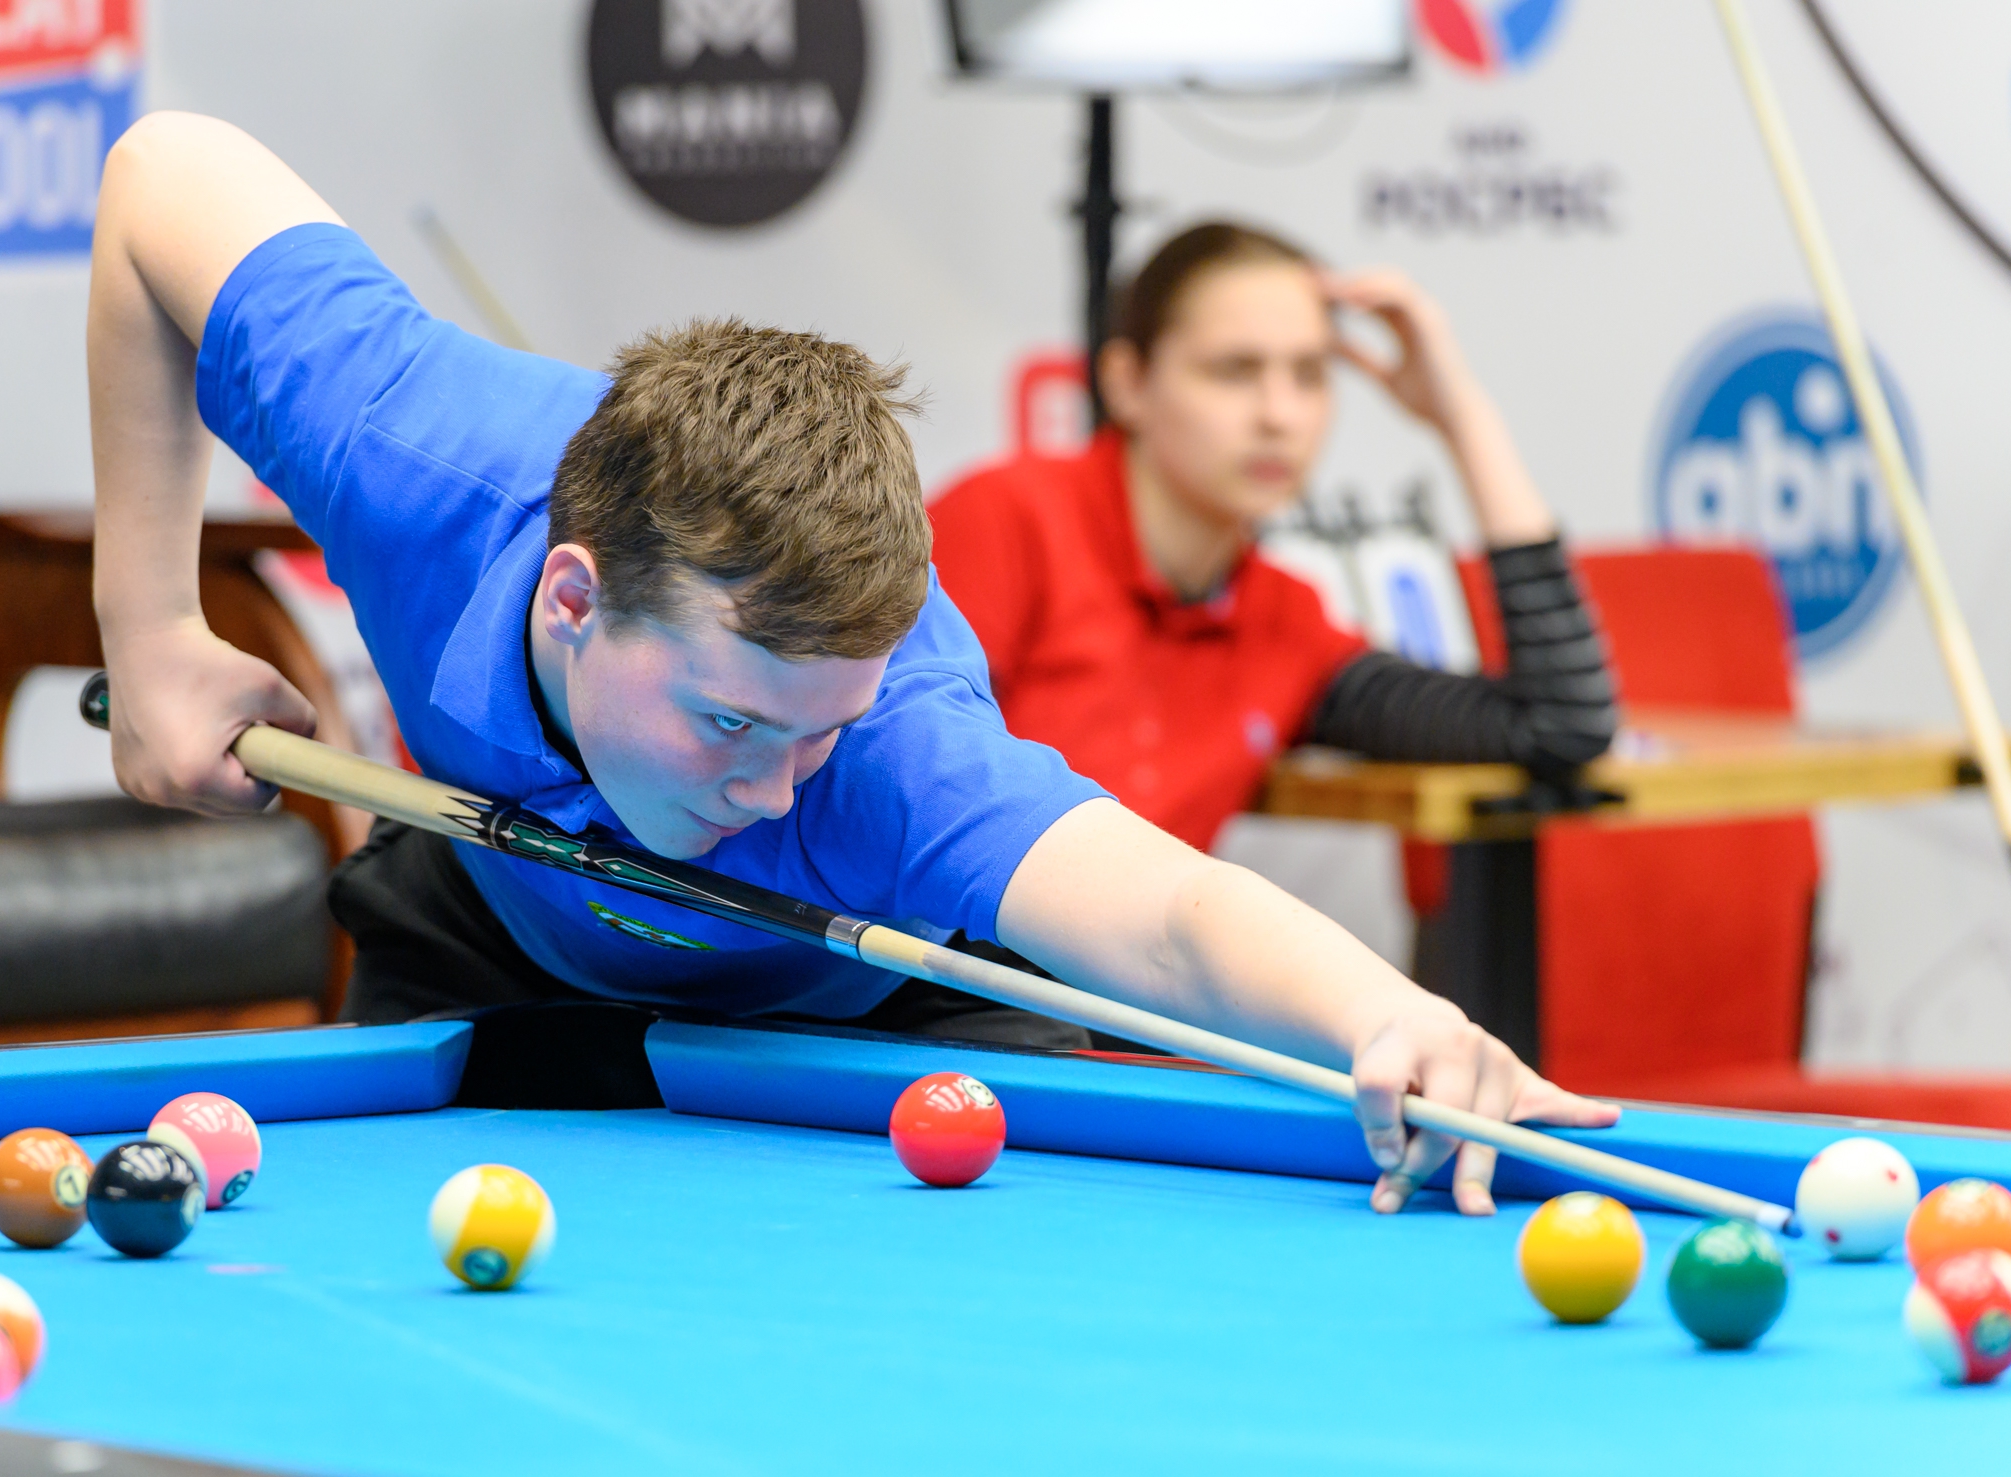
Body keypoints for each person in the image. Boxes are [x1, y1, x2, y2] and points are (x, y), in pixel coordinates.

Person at [87, 113, 1616, 1217]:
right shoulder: (414, 451)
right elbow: (165, 171)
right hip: (499, 945)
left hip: (880, 1016)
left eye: (818, 734)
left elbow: (1169, 916)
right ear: (574, 597)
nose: (773, 789)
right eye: (728, 722)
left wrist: (1385, 1014)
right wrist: (149, 632)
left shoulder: (895, 752)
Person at [929, 222, 1618, 851]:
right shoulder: (1005, 519)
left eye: (1310, 375)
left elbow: (1560, 723)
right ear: (1127, 383)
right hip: (925, 951)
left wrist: (1461, 415)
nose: (1279, 415)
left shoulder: (1286, 621)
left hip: (1127, 955)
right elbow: (895, 786)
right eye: (1235, 370)